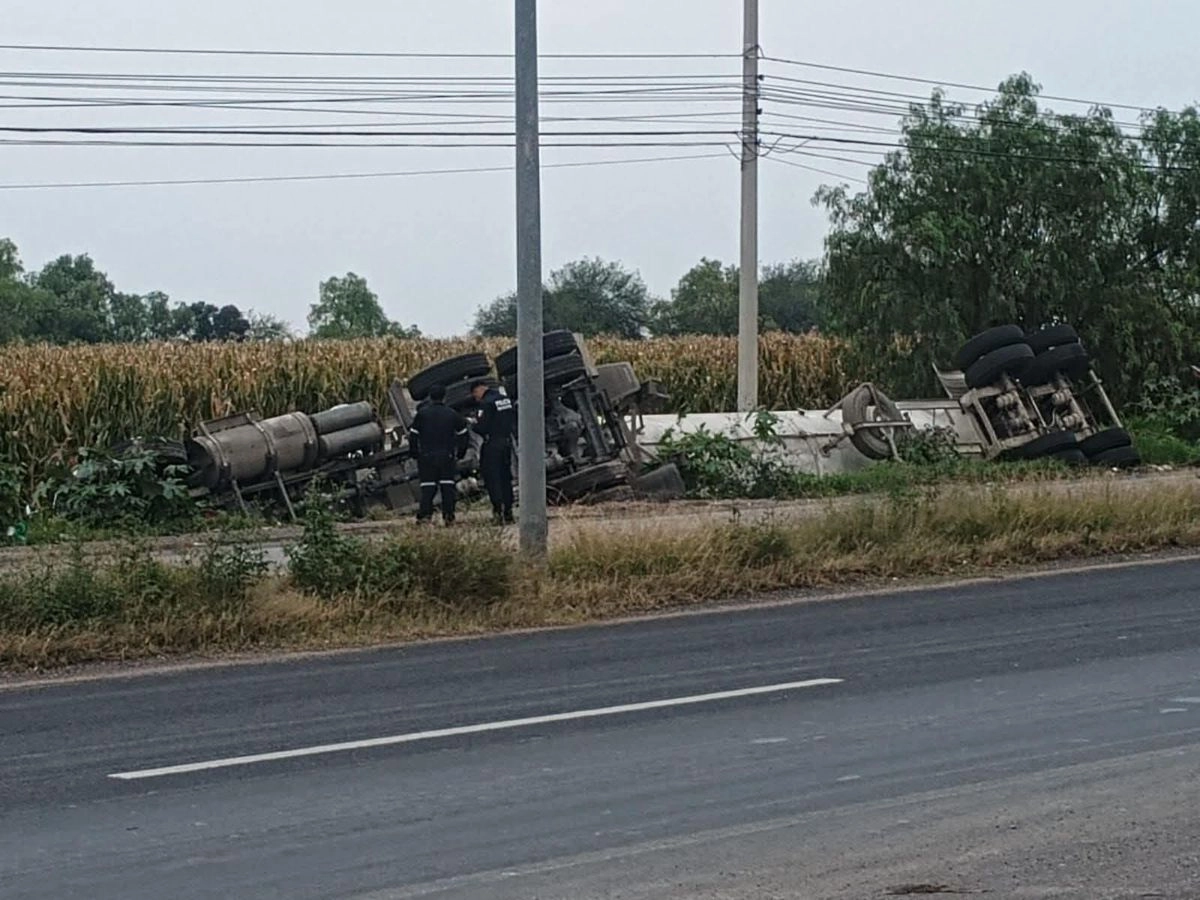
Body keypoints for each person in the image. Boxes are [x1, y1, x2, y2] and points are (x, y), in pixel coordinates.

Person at [407, 383, 470, 525]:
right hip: (447, 456)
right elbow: (463, 434)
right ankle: (449, 517)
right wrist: (460, 453)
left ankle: (424, 517)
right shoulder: (452, 414)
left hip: (427, 456)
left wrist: (415, 453)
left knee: (428, 488)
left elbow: (413, 436)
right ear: (444, 396)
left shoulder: (422, 414)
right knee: (447, 488)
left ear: (430, 397)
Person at [471, 379, 516, 525]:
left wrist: (474, 424)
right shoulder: (505, 400)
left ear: (478, 390)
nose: (475, 398)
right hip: (506, 443)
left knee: (493, 478)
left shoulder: (486, 403)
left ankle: (498, 512)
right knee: (505, 478)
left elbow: (482, 427)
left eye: (475, 395)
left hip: (492, 444)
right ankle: (509, 512)